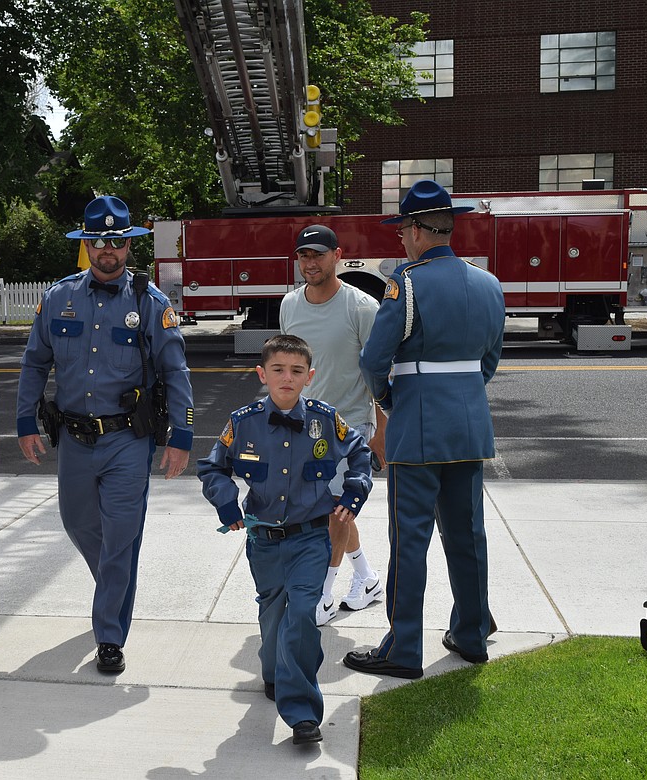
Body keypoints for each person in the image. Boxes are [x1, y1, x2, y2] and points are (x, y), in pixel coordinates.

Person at [17, 195, 194, 674]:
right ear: (87, 245)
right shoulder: (59, 298)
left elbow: (175, 372)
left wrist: (182, 436)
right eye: (98, 241)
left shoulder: (150, 302)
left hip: (127, 440)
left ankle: (110, 636)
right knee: (77, 523)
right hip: (74, 439)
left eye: (116, 241)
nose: (107, 250)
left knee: (120, 537)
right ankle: (114, 586)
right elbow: (34, 363)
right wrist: (24, 422)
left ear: (128, 245)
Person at [343, 179, 505, 679]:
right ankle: (472, 634)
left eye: (401, 230)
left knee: (410, 541)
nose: (401, 239)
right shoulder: (488, 283)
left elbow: (374, 360)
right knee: (468, 536)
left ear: (416, 230)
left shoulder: (406, 283)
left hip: (417, 426)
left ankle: (403, 648)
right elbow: (488, 362)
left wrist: (391, 400)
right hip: (469, 424)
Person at [198, 334, 371, 745]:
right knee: (273, 614)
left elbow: (360, 453)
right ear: (262, 374)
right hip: (264, 541)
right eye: (278, 369)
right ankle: (275, 672)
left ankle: (302, 713)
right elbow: (212, 468)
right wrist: (227, 504)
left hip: (311, 538)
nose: (287, 378)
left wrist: (354, 493)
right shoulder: (243, 422)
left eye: (296, 371)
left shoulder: (326, 419)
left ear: (310, 376)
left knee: (302, 615)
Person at [279, 225, 386, 626]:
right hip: (303, 426)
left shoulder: (362, 308)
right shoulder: (290, 305)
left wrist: (381, 432)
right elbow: (289, 368)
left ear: (337, 256)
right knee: (330, 510)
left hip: (349, 427)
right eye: (304, 255)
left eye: (318, 255)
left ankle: (322, 595)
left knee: (335, 510)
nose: (310, 263)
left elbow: (380, 374)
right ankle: (367, 579)